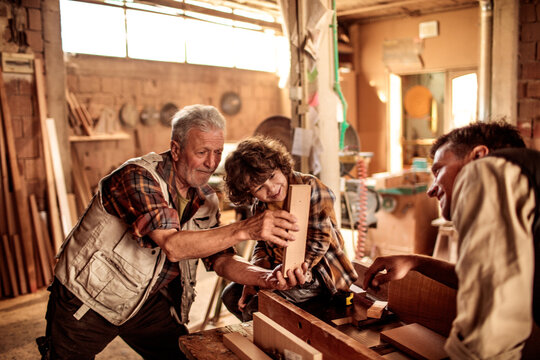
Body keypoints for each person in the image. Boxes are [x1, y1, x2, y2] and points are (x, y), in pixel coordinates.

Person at [37, 105, 309, 360]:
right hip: (89, 299)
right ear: (176, 150)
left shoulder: (206, 199)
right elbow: (173, 246)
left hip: (148, 301)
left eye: (217, 153)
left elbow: (222, 260)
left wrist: (266, 278)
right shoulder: (137, 177)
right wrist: (245, 228)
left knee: (181, 354)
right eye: (202, 152)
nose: (210, 163)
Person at [363, 121, 539, 359]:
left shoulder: (486, 170)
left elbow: (488, 337)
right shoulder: (524, 184)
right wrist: (416, 262)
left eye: (438, 171)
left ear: (479, 155)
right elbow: (482, 278)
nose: (431, 190)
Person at [221, 136, 358, 321]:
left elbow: (319, 240)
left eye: (271, 176)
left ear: (280, 165)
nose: (272, 188)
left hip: (318, 274)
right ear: (249, 193)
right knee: (230, 295)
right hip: (280, 271)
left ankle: (271, 342)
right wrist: (254, 276)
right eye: (260, 187)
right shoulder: (260, 206)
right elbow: (262, 245)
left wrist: (289, 271)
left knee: (257, 308)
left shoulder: (310, 187)